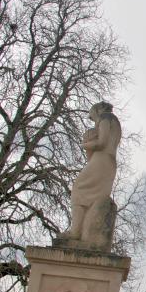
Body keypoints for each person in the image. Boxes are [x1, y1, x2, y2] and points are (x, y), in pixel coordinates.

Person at [59, 101, 121, 241]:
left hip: (101, 160)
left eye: (92, 117)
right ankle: (83, 233)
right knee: (94, 197)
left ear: (97, 110)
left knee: (78, 190)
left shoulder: (106, 118)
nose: (92, 120)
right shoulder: (115, 124)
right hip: (108, 162)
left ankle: (75, 232)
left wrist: (85, 144)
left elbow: (102, 143)